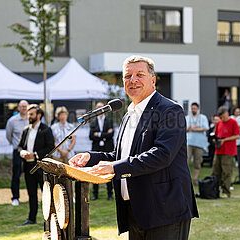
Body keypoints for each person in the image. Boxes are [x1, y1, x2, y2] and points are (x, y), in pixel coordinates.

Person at [69, 55, 198, 239]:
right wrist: (92, 157)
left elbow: (162, 155)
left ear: (152, 80)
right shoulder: (129, 114)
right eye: (127, 76)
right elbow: (122, 155)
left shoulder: (170, 110)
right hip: (136, 210)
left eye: (140, 74)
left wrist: (115, 168)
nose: (133, 80)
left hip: (165, 210)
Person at [17, 104, 54, 226]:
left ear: (39, 115)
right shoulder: (26, 130)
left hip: (41, 166)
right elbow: (19, 146)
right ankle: (31, 218)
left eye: (31, 114)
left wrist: (36, 155)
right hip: (28, 166)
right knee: (31, 193)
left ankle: (49, 220)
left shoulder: (46, 129)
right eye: (28, 114)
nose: (29, 116)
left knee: (46, 194)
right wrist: (23, 152)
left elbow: (50, 148)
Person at [89, 101, 115, 200]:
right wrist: (104, 134)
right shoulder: (93, 122)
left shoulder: (109, 120)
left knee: (109, 170)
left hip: (107, 149)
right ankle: (95, 194)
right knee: (95, 170)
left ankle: (110, 194)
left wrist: (98, 134)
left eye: (101, 107)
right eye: (98, 108)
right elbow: (91, 136)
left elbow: (111, 135)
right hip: (96, 149)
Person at [212, 106, 240, 198]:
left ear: (227, 114)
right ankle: (215, 190)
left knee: (226, 172)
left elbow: (237, 135)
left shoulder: (233, 122)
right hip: (218, 150)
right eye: (220, 117)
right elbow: (216, 134)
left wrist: (225, 140)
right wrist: (215, 140)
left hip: (228, 151)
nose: (221, 119)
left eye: (222, 116)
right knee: (216, 171)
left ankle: (226, 191)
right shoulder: (219, 123)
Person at [5, 100, 29, 206]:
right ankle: (15, 198)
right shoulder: (12, 121)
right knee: (16, 175)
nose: (24, 108)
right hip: (18, 151)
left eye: (25, 106)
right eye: (22, 106)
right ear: (18, 108)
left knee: (31, 175)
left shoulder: (31, 119)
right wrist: (16, 145)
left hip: (30, 152)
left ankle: (32, 197)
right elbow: (8, 136)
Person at [185, 102, 209, 185]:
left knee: (197, 162)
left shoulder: (203, 117)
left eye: (195, 108)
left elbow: (205, 128)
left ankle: (195, 179)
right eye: (192, 108)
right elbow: (184, 129)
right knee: (186, 160)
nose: (193, 110)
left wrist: (195, 129)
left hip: (199, 143)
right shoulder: (187, 118)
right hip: (189, 142)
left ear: (198, 109)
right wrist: (190, 128)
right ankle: (186, 178)